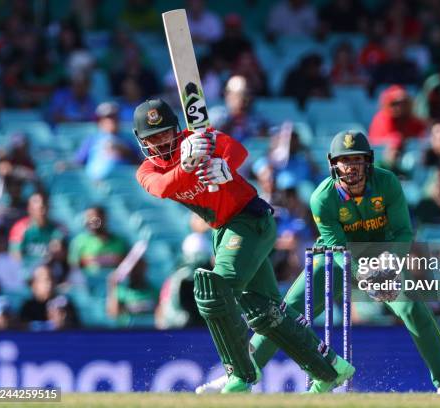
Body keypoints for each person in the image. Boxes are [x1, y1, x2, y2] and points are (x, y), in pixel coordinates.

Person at [196, 130, 440, 394]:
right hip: (335, 259)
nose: (351, 168)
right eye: (345, 161)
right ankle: (239, 374)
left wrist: (388, 267)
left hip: (382, 257)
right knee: (280, 315)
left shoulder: (387, 183)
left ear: (368, 162)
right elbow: (339, 248)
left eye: (357, 160)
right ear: (333, 164)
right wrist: (369, 276)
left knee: (413, 309)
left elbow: (404, 232)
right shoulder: (322, 197)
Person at [133, 98, 353, 393]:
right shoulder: (147, 171)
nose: (161, 143)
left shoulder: (198, 138)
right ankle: (329, 369)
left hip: (249, 219)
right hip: (222, 231)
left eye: (165, 133)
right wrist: (188, 165)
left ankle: (239, 373)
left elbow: (237, 150)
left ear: (176, 129)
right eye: (153, 138)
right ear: (142, 141)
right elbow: (163, 188)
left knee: (215, 292)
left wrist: (224, 165)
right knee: (264, 312)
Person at [74, 102, 141, 181]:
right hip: (97, 184)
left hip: (124, 183)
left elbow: (140, 163)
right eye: (108, 117)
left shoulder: (127, 139)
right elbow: (78, 162)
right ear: (100, 121)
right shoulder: (92, 139)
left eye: (115, 117)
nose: (113, 120)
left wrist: (126, 152)